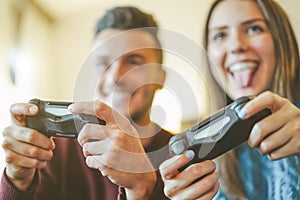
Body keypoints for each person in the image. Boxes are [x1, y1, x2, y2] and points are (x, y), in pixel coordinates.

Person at [0, 6, 174, 200]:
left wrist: (145, 188)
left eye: (134, 61)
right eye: (102, 63)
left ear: (160, 78)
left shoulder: (184, 155)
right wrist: (17, 182)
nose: (114, 77)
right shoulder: (53, 151)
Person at [159, 0, 300, 199]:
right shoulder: (211, 166)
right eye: (220, 35)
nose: (235, 46)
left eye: (253, 28)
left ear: (282, 39)